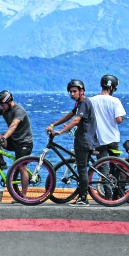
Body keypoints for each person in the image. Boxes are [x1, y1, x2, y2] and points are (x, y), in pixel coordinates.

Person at [48, 79, 97, 207]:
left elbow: (76, 121)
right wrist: (53, 124)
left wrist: (61, 131)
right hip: (82, 140)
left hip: (84, 141)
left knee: (82, 169)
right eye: (70, 92)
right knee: (82, 168)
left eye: (74, 91)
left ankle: (83, 198)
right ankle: (82, 195)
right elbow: (69, 116)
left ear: (82, 91)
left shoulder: (85, 103)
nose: (72, 94)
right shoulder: (78, 104)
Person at [90, 74, 126, 155]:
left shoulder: (91, 100)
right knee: (116, 163)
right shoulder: (115, 101)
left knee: (102, 164)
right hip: (113, 138)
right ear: (111, 87)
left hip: (99, 139)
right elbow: (119, 120)